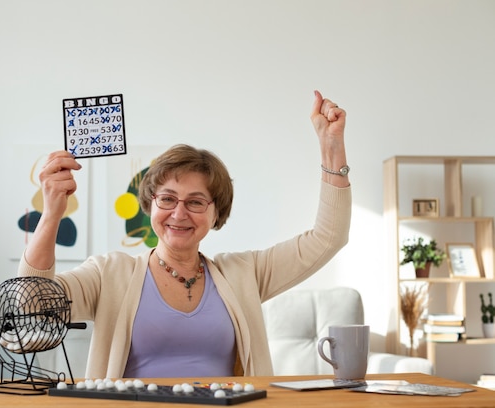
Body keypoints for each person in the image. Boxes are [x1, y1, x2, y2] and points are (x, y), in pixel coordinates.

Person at [18, 90, 351, 378]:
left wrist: (331, 147)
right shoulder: (109, 274)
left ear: (215, 212)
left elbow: (328, 238)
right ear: (149, 205)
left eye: (195, 202)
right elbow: (31, 305)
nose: (178, 213)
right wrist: (51, 214)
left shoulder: (244, 273)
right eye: (167, 199)